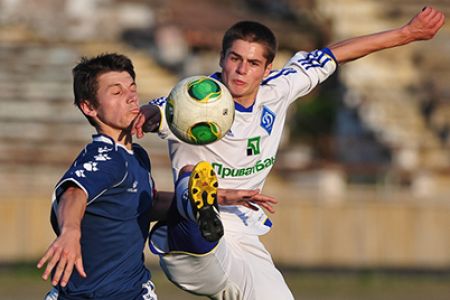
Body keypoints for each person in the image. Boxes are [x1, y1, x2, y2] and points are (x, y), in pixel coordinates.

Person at [134, 6, 445, 299]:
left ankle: (199, 207)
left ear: (267, 68)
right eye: (235, 58)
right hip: (194, 243)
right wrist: (144, 113)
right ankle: (197, 206)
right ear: (221, 58)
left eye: (253, 63)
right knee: (195, 193)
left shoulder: (279, 88)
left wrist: (407, 33)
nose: (241, 70)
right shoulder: (191, 99)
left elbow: (335, 54)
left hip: (245, 233)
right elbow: (155, 112)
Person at [37, 53, 277, 300]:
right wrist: (70, 231)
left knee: (189, 176)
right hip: (86, 295)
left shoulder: (136, 155)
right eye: (117, 93)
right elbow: (74, 192)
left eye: (132, 88)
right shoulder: (105, 156)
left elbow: (146, 205)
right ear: (89, 107)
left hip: (133, 291)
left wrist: (217, 198)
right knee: (188, 172)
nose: (131, 97)